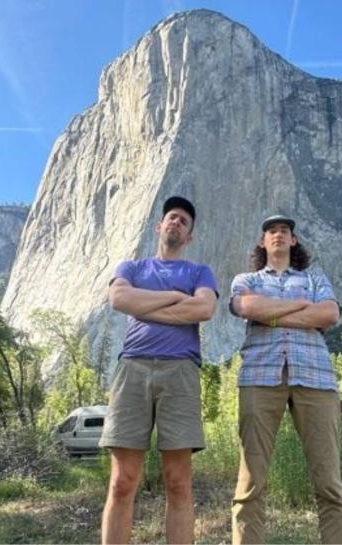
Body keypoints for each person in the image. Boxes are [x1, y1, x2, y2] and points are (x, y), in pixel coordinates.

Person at [229, 214, 342, 544]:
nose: (278, 234)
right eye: (271, 230)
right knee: (250, 482)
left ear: (293, 240)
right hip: (259, 375)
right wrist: (301, 309)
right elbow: (246, 306)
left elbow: (329, 314)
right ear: (262, 241)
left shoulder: (315, 278)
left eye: (285, 230)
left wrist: (272, 314)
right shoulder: (247, 278)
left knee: (329, 482)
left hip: (316, 378)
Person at [100, 196, 219, 544]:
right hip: (132, 369)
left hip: (181, 371)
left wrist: (145, 306)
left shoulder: (199, 272)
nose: (177, 223)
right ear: (159, 226)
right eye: (172, 218)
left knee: (178, 481)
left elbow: (205, 309)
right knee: (122, 481)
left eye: (184, 221)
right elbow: (120, 300)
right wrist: (177, 298)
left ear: (190, 236)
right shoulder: (131, 268)